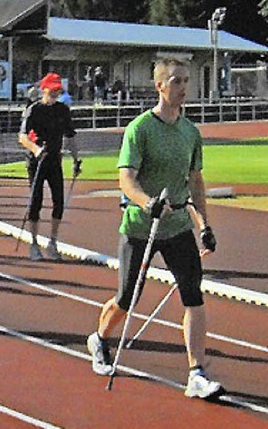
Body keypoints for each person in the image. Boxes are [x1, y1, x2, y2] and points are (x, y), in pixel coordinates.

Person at [86, 58, 224, 400]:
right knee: (128, 296)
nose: (183, 88)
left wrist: (204, 224)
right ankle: (100, 338)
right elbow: (126, 179)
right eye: (176, 81)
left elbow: (195, 182)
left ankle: (196, 373)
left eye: (186, 82)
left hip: (177, 227)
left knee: (193, 296)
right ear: (160, 86)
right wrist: (147, 202)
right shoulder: (140, 129)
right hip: (140, 226)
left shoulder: (190, 132)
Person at [18, 72, 81, 261]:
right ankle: (34, 243)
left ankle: (52, 242)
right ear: (43, 89)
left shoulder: (63, 110)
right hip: (37, 162)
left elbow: (70, 137)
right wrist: (36, 150)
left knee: (58, 202)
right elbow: (22, 137)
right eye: (52, 90)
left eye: (57, 90)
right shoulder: (34, 110)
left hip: (55, 159)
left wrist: (76, 159)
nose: (55, 93)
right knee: (35, 202)